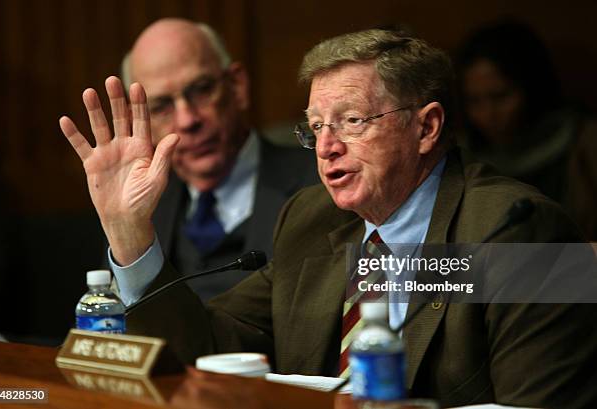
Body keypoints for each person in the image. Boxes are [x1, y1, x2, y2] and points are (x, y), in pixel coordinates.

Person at [60, 29, 597, 408]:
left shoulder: (515, 228)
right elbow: (209, 346)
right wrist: (130, 232)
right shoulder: (311, 219)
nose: (326, 148)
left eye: (352, 121)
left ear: (427, 128)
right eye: (315, 128)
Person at [111, 18, 318, 300]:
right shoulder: (140, 207)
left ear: (237, 85)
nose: (187, 120)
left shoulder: (321, 182)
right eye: (161, 106)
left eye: (201, 89)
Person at [456, 20, 597, 240]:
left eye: (500, 97)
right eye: (474, 101)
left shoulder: (582, 141)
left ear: (532, 88)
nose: (488, 114)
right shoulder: (461, 156)